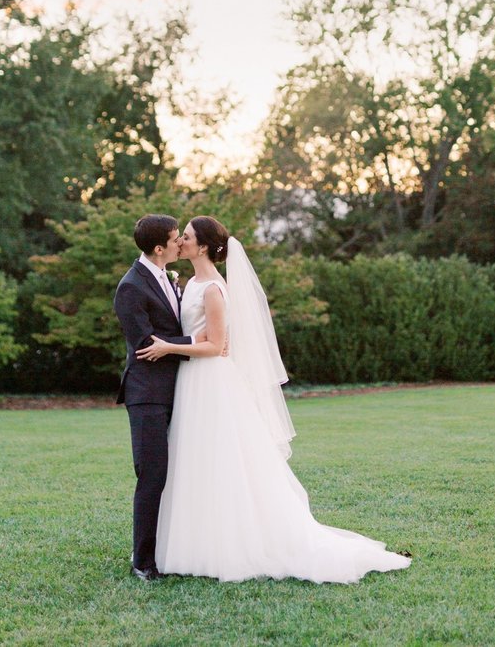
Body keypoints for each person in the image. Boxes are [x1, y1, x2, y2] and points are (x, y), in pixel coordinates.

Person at [135, 215, 412, 583]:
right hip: (190, 381)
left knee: (220, 462)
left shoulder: (215, 288)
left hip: (210, 382)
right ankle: (191, 541)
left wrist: (169, 346)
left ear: (202, 247)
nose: (180, 242)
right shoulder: (188, 283)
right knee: (193, 460)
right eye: (179, 237)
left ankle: (230, 544)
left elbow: (217, 346)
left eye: (185, 237)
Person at [113, 213, 195, 581]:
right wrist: (199, 344)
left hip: (176, 389)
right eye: (176, 238)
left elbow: (167, 336)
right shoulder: (131, 287)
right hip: (147, 393)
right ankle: (143, 562)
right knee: (152, 475)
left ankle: (171, 548)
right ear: (160, 247)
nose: (181, 243)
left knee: (175, 473)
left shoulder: (167, 277)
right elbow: (147, 346)